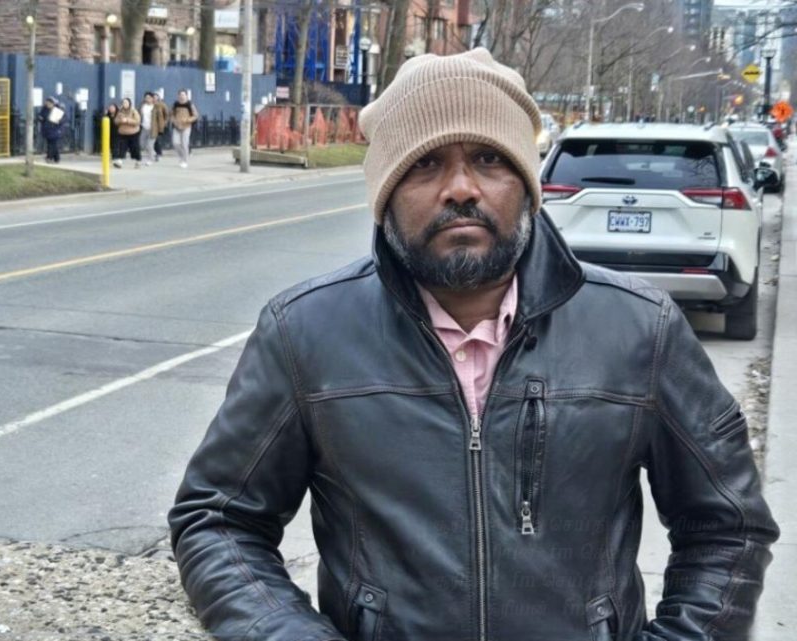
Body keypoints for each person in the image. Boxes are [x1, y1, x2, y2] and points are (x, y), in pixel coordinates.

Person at [168, 49, 778, 641]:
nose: (460, 188)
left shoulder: (642, 329)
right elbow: (218, 519)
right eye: (425, 163)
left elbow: (729, 525)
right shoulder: (304, 333)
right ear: (384, 194)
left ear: (527, 184)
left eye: (488, 158)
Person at [170, 89, 198, 168]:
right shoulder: (175, 104)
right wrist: (173, 120)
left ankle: (185, 161)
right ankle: (182, 156)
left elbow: (195, 115)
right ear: (178, 96)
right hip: (177, 126)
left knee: (184, 144)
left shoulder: (190, 104)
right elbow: (171, 114)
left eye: (183, 95)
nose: (182, 96)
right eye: (180, 95)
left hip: (186, 126)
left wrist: (187, 120)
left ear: (186, 96)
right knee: (175, 143)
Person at [112, 97, 142, 169]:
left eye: (126, 103)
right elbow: (115, 121)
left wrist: (127, 120)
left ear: (129, 104)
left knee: (135, 148)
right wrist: (120, 121)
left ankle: (138, 161)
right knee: (122, 148)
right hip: (123, 133)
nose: (124, 104)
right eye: (123, 103)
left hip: (133, 133)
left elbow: (137, 121)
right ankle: (119, 162)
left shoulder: (134, 111)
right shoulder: (120, 112)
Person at [140, 92, 167, 166]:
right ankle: (153, 153)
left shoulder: (156, 107)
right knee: (142, 144)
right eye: (146, 98)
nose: (147, 99)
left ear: (152, 98)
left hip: (153, 129)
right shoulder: (143, 106)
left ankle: (150, 160)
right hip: (144, 127)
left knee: (150, 145)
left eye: (149, 97)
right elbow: (140, 115)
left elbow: (161, 118)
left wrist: (161, 128)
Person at [38, 96, 65, 164]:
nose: (48, 104)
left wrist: (59, 121)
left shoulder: (57, 110)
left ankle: (49, 157)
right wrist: (40, 118)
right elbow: (41, 116)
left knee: (52, 144)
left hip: (55, 129)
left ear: (53, 103)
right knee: (52, 144)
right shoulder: (44, 109)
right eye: (47, 102)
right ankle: (57, 158)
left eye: (49, 103)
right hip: (47, 129)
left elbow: (63, 119)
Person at [153, 92, 170, 162]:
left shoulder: (162, 105)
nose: (154, 98)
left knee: (156, 140)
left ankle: (158, 153)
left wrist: (164, 123)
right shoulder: (148, 105)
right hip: (149, 125)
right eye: (153, 97)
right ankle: (155, 152)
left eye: (156, 97)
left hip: (159, 125)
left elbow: (167, 115)